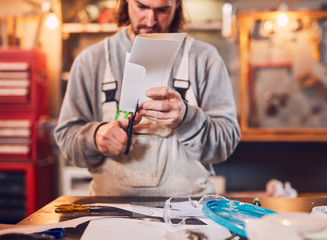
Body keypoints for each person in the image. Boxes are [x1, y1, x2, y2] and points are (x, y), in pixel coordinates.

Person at [55, 0, 240, 196]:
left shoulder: (204, 59)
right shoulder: (91, 61)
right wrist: (96, 137)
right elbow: (66, 139)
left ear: (176, 5)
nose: (150, 20)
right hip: (112, 213)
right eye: (142, 7)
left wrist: (187, 119)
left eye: (162, 10)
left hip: (188, 213)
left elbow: (226, 141)